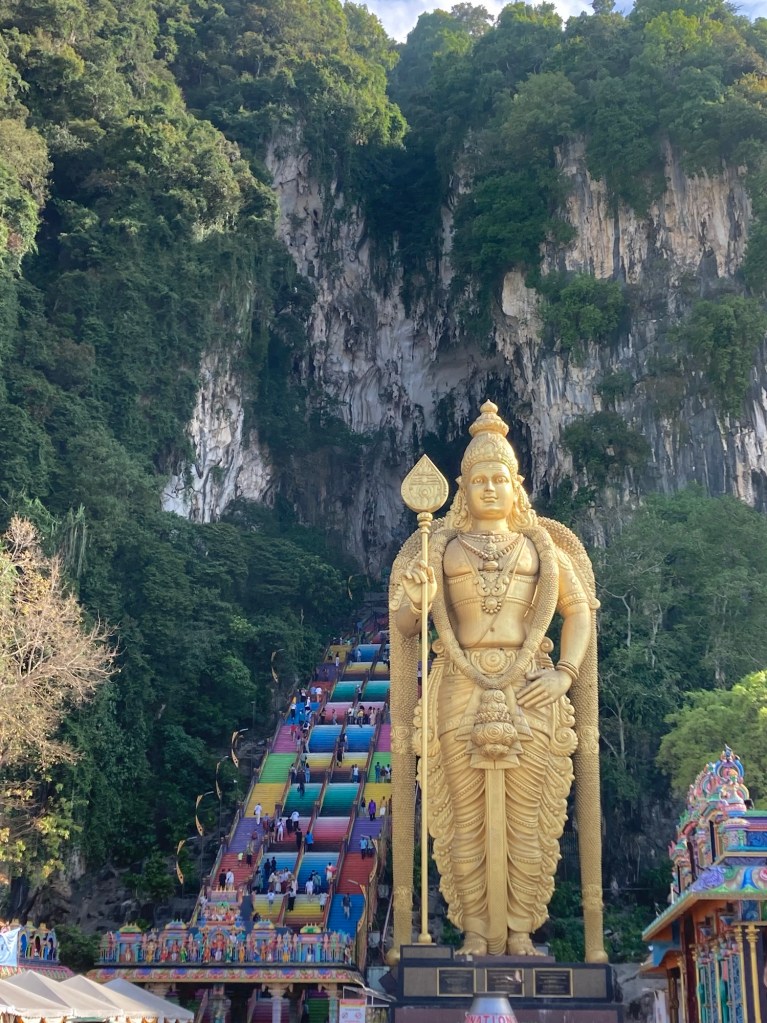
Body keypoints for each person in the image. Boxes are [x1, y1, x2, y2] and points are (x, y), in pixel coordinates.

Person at [390, 400, 605, 962]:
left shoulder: (543, 549)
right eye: (479, 480)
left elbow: (579, 612)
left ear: (517, 486)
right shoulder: (439, 548)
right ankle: (475, 932)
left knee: (528, 817)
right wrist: (417, 598)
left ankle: (520, 932)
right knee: (463, 818)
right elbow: (406, 625)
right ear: (462, 488)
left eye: (499, 479)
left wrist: (564, 673)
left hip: (530, 681)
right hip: (459, 683)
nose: (489, 488)